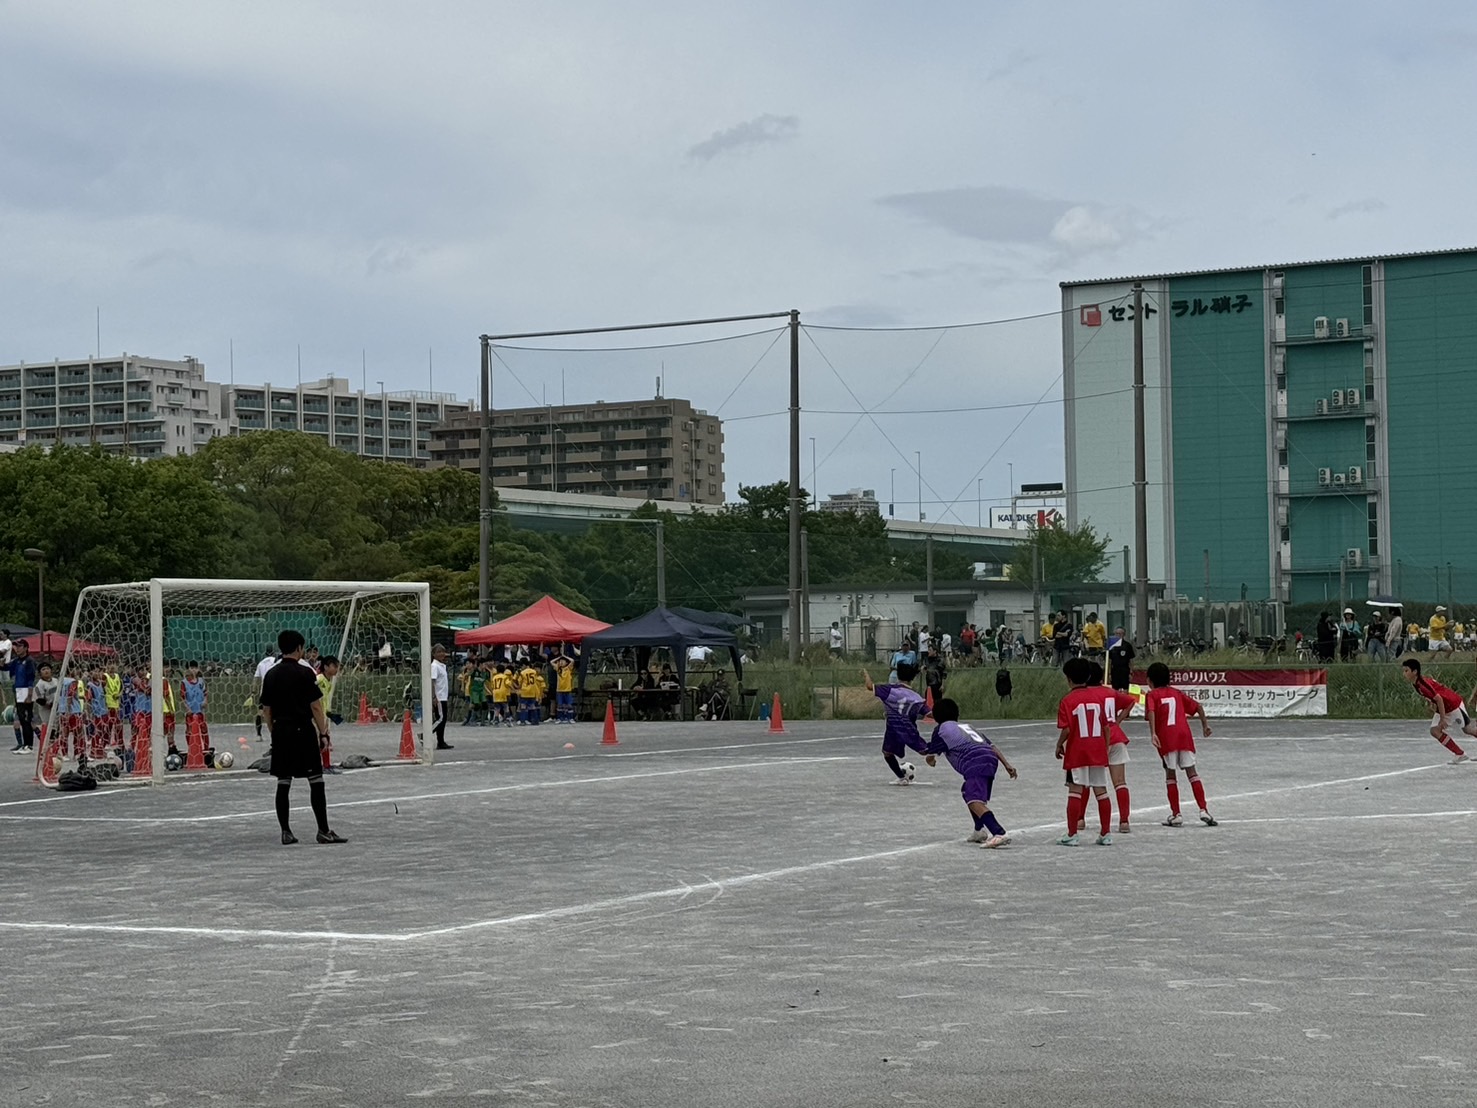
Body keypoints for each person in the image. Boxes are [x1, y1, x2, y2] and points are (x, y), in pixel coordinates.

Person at [259, 630, 345, 845]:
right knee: (316, 780)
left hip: (281, 731)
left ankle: (286, 832)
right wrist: (323, 733)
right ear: (299, 648)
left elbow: (266, 710)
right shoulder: (306, 673)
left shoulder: (271, 674)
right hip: (303, 730)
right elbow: (315, 706)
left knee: (283, 782)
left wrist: (274, 731)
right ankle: (323, 830)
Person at [921, 698, 1017, 847]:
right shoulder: (968, 727)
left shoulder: (941, 730)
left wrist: (930, 760)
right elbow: (991, 746)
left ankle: (998, 832)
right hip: (990, 759)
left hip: (975, 762)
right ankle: (979, 830)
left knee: (974, 800)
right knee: (967, 791)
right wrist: (1007, 765)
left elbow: (931, 755)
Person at [1054, 656, 1121, 845]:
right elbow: (1106, 727)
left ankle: (1072, 834)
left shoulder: (1067, 700)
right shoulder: (1096, 699)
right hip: (1097, 751)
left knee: (1075, 791)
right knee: (1101, 791)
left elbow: (1067, 729)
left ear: (1069, 679)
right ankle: (1105, 834)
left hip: (1077, 752)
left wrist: (1059, 744)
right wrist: (1104, 747)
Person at [1144, 661, 1217, 827]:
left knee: (1170, 774)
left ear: (1149, 681)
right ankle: (1203, 809)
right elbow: (1198, 707)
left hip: (1167, 738)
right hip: (1184, 736)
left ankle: (1176, 814)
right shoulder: (1176, 693)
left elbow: (1152, 712)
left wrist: (1153, 733)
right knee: (1192, 773)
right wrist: (1205, 726)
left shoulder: (1152, 695)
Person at [1089, 660, 1138, 834]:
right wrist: (1118, 721)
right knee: (1120, 782)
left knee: (1086, 781)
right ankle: (1124, 821)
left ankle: (1079, 819)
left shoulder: (1086, 694)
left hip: (1095, 739)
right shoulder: (1110, 692)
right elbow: (1131, 701)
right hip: (1115, 736)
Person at [862, 662, 929, 784]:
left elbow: (869, 686)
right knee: (924, 750)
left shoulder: (889, 690)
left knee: (887, 753)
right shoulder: (916, 697)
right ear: (912, 678)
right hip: (908, 729)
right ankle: (943, 749)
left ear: (898, 676)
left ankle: (901, 777)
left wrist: (866, 674)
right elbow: (929, 713)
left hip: (893, 727)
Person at [1401, 657, 1476, 763]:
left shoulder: (1422, 685)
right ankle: (1460, 754)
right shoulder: (1417, 683)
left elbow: (1439, 698)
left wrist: (1442, 719)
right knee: (1435, 731)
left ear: (1415, 672)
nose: (1404, 674)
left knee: (1468, 730)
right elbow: (1434, 696)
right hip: (1445, 706)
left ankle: (1460, 754)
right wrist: (1431, 704)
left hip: (1453, 704)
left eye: (1406, 671)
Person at [4, 640, 38, 753]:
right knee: (22, 719)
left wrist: (29, 695)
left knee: (27, 718)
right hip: (18, 691)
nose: (17, 648)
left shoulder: (29, 661)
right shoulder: (17, 661)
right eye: (16, 646)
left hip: (26, 690)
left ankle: (29, 745)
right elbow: (7, 667)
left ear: (26, 648)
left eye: (20, 646)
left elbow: (31, 678)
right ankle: (24, 744)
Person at [180, 661, 209, 758]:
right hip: (190, 712)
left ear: (198, 669)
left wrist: (205, 701)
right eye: (191, 668)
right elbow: (182, 697)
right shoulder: (184, 683)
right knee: (190, 730)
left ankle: (206, 749)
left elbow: (205, 693)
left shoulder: (201, 681)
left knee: (204, 729)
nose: (193, 670)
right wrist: (187, 708)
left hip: (200, 711)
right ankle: (191, 748)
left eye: (195, 668)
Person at [430, 645, 453, 750]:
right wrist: (434, 696)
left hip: (443, 696)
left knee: (443, 719)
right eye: (438, 652)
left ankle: (441, 741)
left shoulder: (442, 666)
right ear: (433, 654)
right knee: (440, 719)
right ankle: (425, 734)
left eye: (443, 652)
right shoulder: (434, 666)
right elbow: (432, 681)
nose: (441, 654)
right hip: (438, 696)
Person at [252, 648, 277, 737]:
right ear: (273, 653)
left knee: (260, 712)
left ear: (265, 653)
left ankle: (259, 734)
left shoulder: (261, 664)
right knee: (276, 713)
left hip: (264, 692)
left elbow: (256, 679)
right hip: (275, 692)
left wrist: (253, 691)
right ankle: (275, 733)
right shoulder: (276, 662)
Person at [517, 659, 542, 724]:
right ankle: (536, 721)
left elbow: (520, 682)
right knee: (532, 706)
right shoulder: (534, 672)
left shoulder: (522, 672)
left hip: (525, 691)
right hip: (532, 691)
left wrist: (519, 688)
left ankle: (523, 721)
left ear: (524, 665)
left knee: (523, 706)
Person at [554, 655, 576, 723]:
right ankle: (560, 718)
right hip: (559, 690)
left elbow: (572, 661)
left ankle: (570, 718)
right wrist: (559, 658)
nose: (561, 662)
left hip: (567, 690)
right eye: (560, 661)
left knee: (569, 705)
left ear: (566, 662)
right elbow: (551, 662)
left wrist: (565, 656)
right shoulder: (558, 669)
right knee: (560, 705)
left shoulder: (568, 668)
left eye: (563, 661)